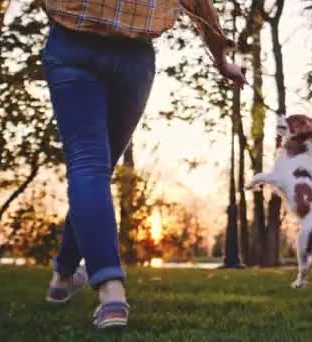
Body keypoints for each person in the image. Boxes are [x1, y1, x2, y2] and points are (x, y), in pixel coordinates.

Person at [41, 0, 246, 329]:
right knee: (94, 168)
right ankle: (110, 292)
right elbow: (199, 6)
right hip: (131, 58)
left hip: (72, 43)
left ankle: (65, 275)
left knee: (90, 167)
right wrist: (221, 60)